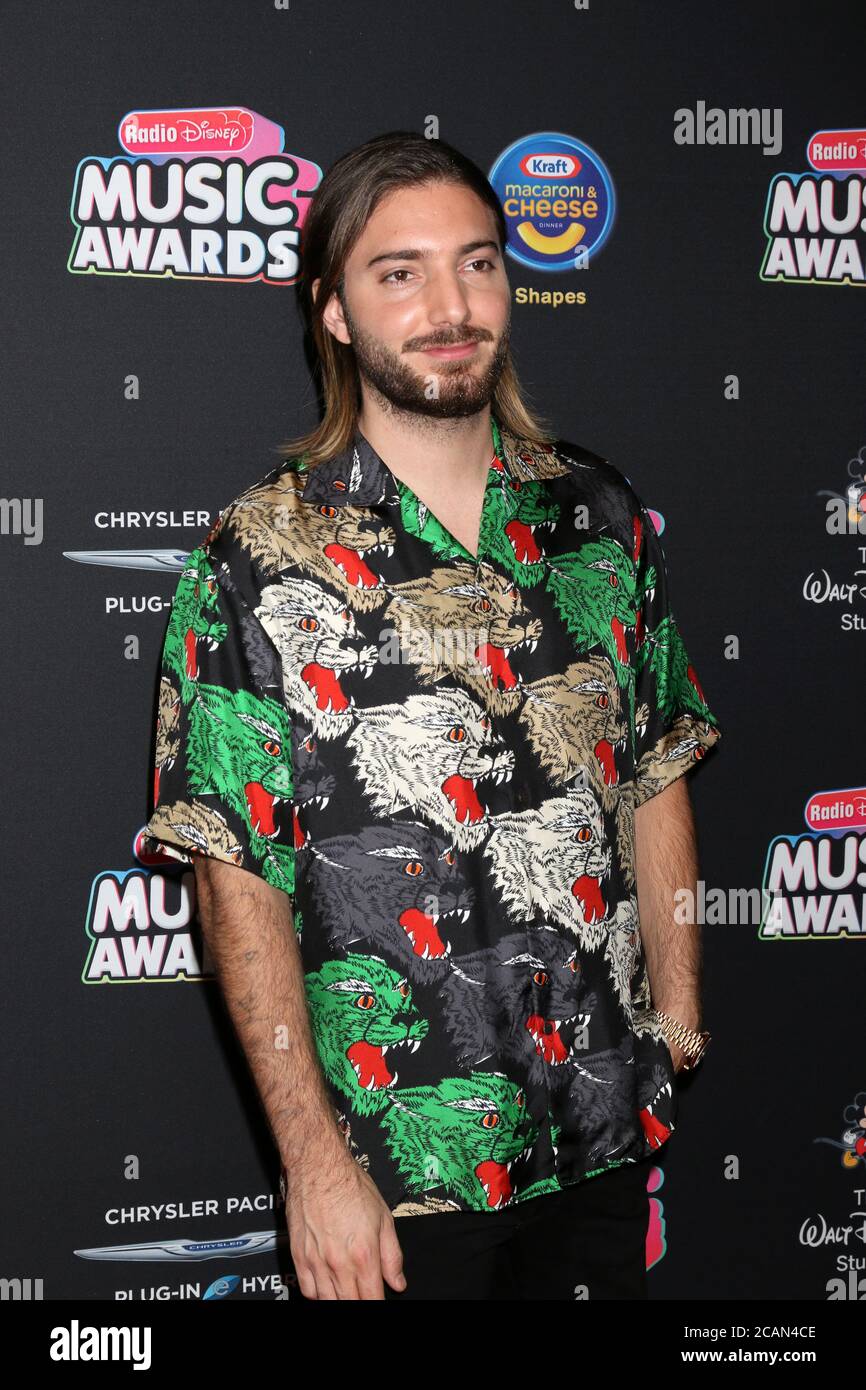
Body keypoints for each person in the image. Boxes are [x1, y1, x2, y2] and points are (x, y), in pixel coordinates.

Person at [141, 130, 722, 1301]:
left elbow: (654, 768)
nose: (448, 305)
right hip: (399, 1178)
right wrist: (313, 1166)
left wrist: (678, 1019)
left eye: (476, 263)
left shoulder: (597, 513)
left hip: (603, 1132)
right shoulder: (256, 555)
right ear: (337, 314)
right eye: (397, 273)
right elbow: (231, 874)